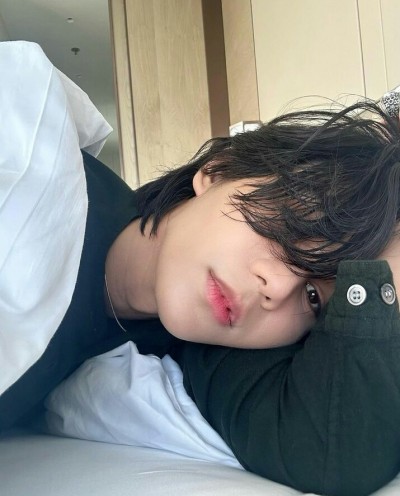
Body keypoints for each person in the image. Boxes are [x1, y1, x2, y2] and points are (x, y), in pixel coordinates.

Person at [2, 41, 400, 496]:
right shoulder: (27, 155)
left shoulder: (196, 352)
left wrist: (384, 271)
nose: (277, 286)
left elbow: (333, 450)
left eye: (313, 299)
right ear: (219, 170)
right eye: (291, 227)